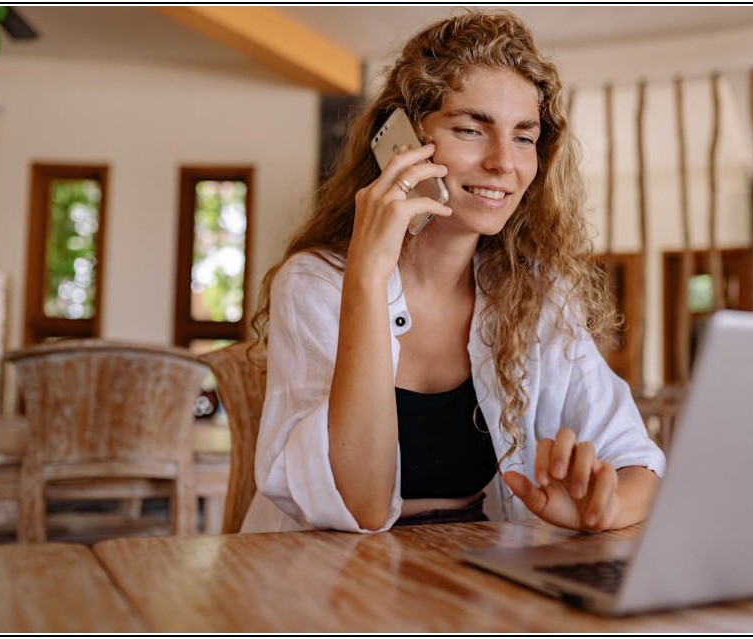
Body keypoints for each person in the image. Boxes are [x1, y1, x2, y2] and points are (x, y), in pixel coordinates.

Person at [241, 10, 665, 534]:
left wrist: (606, 507)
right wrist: (368, 278)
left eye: (524, 138)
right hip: (326, 582)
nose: (502, 163)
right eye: (470, 129)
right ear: (399, 141)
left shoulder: (535, 291)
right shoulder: (316, 283)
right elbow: (363, 506)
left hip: (470, 574)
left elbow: (638, 462)